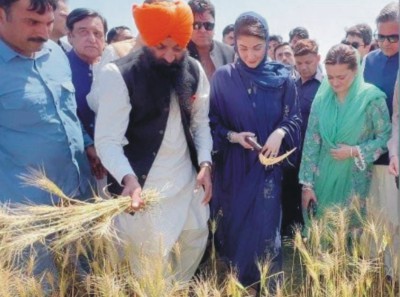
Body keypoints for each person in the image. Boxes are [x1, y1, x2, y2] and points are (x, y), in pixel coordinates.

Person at [93, 0, 212, 283]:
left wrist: (206, 161)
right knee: (151, 267)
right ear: (145, 39)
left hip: (187, 184)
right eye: (161, 47)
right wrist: (128, 179)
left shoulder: (194, 70)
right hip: (144, 191)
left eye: (177, 48)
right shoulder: (118, 74)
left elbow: (201, 124)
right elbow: (108, 140)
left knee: (195, 239)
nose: (170, 57)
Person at [0, 0, 94, 286]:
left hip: (78, 196)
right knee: (38, 286)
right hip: (25, 212)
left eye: (49, 24)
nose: (43, 33)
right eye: (32, 22)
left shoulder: (55, 53)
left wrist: (87, 144)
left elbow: (67, 111)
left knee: (85, 278)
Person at [209, 12, 301, 293]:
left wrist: (280, 132)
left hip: (267, 171)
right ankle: (242, 285)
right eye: (243, 48)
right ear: (235, 44)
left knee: (265, 231)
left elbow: (295, 118)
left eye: (257, 48)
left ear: (268, 45)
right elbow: (212, 124)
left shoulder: (283, 77)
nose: (250, 55)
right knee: (237, 230)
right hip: (235, 170)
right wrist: (235, 137)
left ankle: (267, 287)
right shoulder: (224, 77)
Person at [299, 44, 391, 227]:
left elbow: (385, 138)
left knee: (350, 235)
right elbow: (311, 143)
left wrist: (355, 151)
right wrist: (307, 185)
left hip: (355, 181)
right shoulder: (321, 100)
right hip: (322, 178)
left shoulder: (372, 99)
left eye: (341, 77)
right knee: (321, 232)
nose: (335, 83)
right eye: (330, 76)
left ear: (356, 71)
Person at [363, 2, 399, 278]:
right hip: (369, 151)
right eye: (381, 36)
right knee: (374, 215)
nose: (386, 43)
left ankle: (394, 273)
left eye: (394, 37)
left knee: (394, 217)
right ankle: (378, 272)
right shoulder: (368, 61)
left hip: (395, 153)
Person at [281, 39, 323, 236]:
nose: (304, 67)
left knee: (312, 196)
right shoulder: (291, 85)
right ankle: (293, 234)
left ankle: (312, 234)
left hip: (315, 153)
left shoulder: (325, 88)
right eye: (299, 63)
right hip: (291, 152)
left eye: (309, 62)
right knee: (289, 193)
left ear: (318, 59)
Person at [66, 8, 107, 182]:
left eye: (98, 33)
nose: (92, 39)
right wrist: (88, 145)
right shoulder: (59, 67)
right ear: (70, 37)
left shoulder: (113, 68)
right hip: (73, 161)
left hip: (112, 161)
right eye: (83, 32)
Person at [187, 0, 234, 80]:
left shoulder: (229, 53)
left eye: (208, 25)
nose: (202, 30)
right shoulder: (179, 54)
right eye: (196, 25)